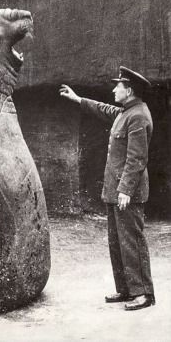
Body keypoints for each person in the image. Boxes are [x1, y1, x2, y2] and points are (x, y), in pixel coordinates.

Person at [59, 66, 155, 311]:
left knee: (132, 241)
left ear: (129, 90)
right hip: (116, 192)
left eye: (118, 86)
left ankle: (143, 293)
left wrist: (125, 190)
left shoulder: (138, 116)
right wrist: (78, 99)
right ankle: (126, 289)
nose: (114, 89)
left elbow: (136, 158)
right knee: (117, 242)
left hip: (127, 193)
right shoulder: (126, 112)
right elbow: (105, 109)